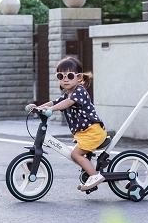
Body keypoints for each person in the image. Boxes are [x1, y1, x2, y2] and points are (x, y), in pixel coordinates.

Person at [27, 56, 107, 192]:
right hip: (84, 133)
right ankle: (90, 170)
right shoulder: (67, 94)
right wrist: (39, 107)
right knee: (76, 154)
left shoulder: (79, 91)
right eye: (61, 76)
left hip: (92, 132)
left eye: (69, 75)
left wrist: (51, 110)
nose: (65, 79)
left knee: (76, 155)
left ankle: (94, 176)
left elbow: (68, 103)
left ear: (79, 77)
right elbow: (54, 102)